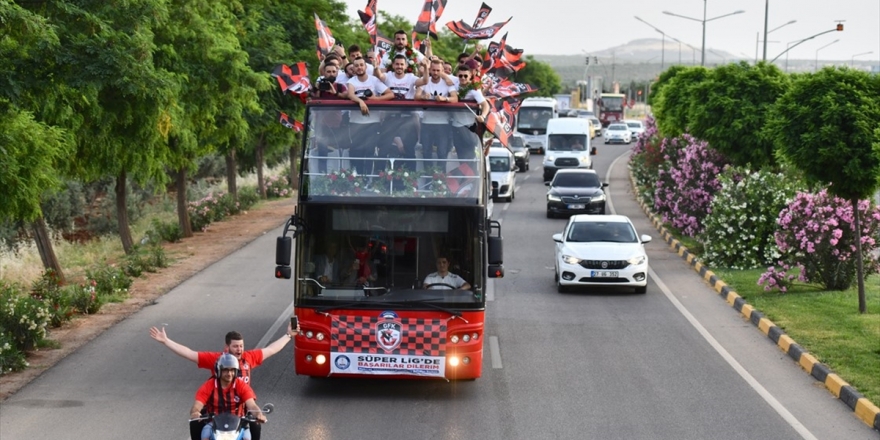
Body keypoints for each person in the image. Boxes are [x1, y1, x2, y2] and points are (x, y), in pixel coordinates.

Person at [150, 322, 298, 440]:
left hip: (241, 413)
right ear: (226, 348)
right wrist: (166, 341)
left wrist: (288, 335)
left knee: (255, 428)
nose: (239, 349)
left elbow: (271, 349)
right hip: (215, 415)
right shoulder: (213, 372)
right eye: (235, 346)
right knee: (196, 426)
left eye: (241, 346)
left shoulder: (247, 363)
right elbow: (190, 354)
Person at [190, 354, 266, 440]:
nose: (229, 374)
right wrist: (196, 412)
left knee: (247, 438)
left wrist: (259, 414)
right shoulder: (209, 385)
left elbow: (252, 405)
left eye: (232, 370)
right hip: (213, 425)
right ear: (219, 371)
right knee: (205, 436)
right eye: (225, 370)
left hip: (238, 426)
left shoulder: (241, 386)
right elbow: (197, 405)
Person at [346, 56, 394, 175]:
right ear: (353, 68)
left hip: (373, 122)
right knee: (356, 151)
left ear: (365, 67)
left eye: (361, 65)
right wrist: (361, 101)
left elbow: (390, 94)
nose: (359, 67)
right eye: (356, 66)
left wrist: (375, 99)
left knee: (369, 151)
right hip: (355, 123)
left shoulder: (374, 80)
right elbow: (350, 94)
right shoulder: (351, 81)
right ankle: (358, 179)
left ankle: (369, 178)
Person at [416, 58, 458, 171]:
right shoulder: (424, 80)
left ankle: (440, 181)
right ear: (430, 70)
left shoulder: (447, 82)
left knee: (442, 152)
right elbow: (416, 95)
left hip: (443, 123)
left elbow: (455, 98)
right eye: (433, 70)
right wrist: (423, 97)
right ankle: (428, 180)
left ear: (442, 70)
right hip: (426, 122)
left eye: (438, 70)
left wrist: (445, 99)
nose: (435, 73)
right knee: (426, 152)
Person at [450, 67, 489, 161]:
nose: (463, 78)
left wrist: (482, 116)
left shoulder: (474, 90)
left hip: (469, 127)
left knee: (470, 154)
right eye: (460, 76)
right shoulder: (453, 86)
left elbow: (485, 105)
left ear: (470, 76)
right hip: (456, 125)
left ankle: (470, 174)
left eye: (465, 76)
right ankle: (463, 174)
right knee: (460, 154)